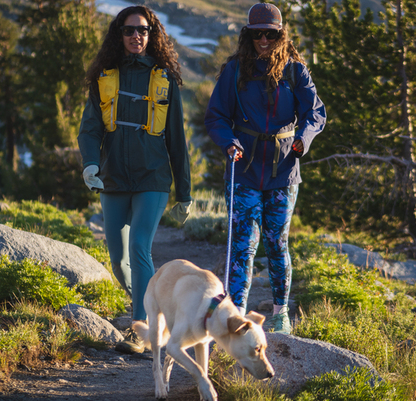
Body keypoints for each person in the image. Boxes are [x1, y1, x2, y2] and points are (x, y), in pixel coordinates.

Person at [204, 3, 326, 334]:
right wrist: (228, 141)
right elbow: (216, 116)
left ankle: (280, 313)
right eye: (257, 34)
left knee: (276, 242)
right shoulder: (234, 70)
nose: (263, 40)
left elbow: (316, 113)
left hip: (284, 169)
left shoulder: (295, 70)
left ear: (280, 35)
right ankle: (236, 315)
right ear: (248, 35)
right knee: (242, 244)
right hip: (242, 168)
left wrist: (303, 139)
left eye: (270, 34)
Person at [78, 6, 192, 353]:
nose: (136, 36)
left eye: (142, 30)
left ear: (151, 33)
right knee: (118, 259)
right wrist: (90, 164)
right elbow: (90, 128)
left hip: (152, 178)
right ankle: (150, 307)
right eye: (129, 30)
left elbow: (177, 140)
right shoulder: (104, 77)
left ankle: (142, 331)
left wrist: (184, 193)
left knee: (139, 246)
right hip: (112, 178)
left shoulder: (164, 79)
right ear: (119, 34)